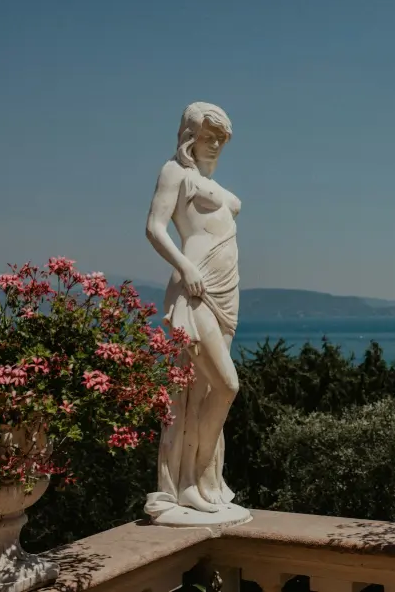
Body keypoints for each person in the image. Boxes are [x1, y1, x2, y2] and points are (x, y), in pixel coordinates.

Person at [143, 102, 250, 526]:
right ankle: (193, 479)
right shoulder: (176, 172)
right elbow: (154, 226)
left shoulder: (212, 183)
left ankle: (204, 482)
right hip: (196, 288)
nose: (217, 146)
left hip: (227, 292)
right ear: (190, 135)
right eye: (210, 137)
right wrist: (185, 267)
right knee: (226, 385)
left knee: (205, 392)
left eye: (222, 140)